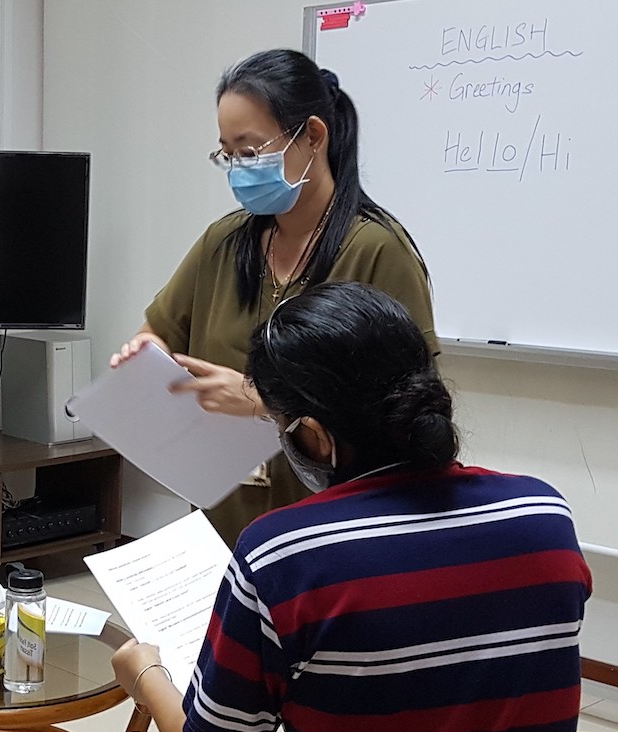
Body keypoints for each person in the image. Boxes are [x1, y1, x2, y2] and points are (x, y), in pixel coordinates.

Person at [113, 283, 592, 732]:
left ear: (314, 436)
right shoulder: (543, 514)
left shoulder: (282, 554)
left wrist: (144, 670)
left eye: (277, 424)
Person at [110, 48, 436, 550]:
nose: (240, 168)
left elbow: (408, 415)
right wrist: (143, 357)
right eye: (229, 153)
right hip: (223, 528)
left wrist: (264, 403)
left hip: (333, 535)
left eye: (252, 149)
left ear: (313, 136)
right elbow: (157, 332)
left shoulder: (376, 252)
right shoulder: (224, 242)